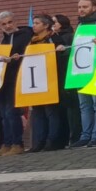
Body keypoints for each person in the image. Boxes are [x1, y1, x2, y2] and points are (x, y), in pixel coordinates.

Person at [69, 0, 96, 148]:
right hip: (81, 70)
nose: (81, 10)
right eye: (79, 7)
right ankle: (85, 135)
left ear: (94, 7)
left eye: (85, 7)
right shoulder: (80, 24)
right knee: (84, 105)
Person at [0, 10, 33, 156]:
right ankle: (7, 143)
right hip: (4, 79)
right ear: (0, 26)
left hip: (17, 78)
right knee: (4, 114)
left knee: (12, 112)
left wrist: (17, 58)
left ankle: (17, 143)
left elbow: (30, 53)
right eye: (4, 24)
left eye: (10, 22)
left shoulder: (26, 35)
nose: (7, 26)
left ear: (15, 22)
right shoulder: (3, 40)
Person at [25, 13, 65, 152]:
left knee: (51, 111)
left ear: (46, 25)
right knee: (37, 112)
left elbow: (62, 58)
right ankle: (38, 142)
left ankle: (52, 141)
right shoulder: (32, 40)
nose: (34, 26)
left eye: (37, 23)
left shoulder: (53, 38)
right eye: (34, 23)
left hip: (51, 79)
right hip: (36, 80)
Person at [53, 14, 81, 146]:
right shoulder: (55, 37)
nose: (53, 25)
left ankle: (74, 135)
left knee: (72, 108)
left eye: (55, 22)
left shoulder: (68, 36)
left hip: (68, 75)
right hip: (60, 76)